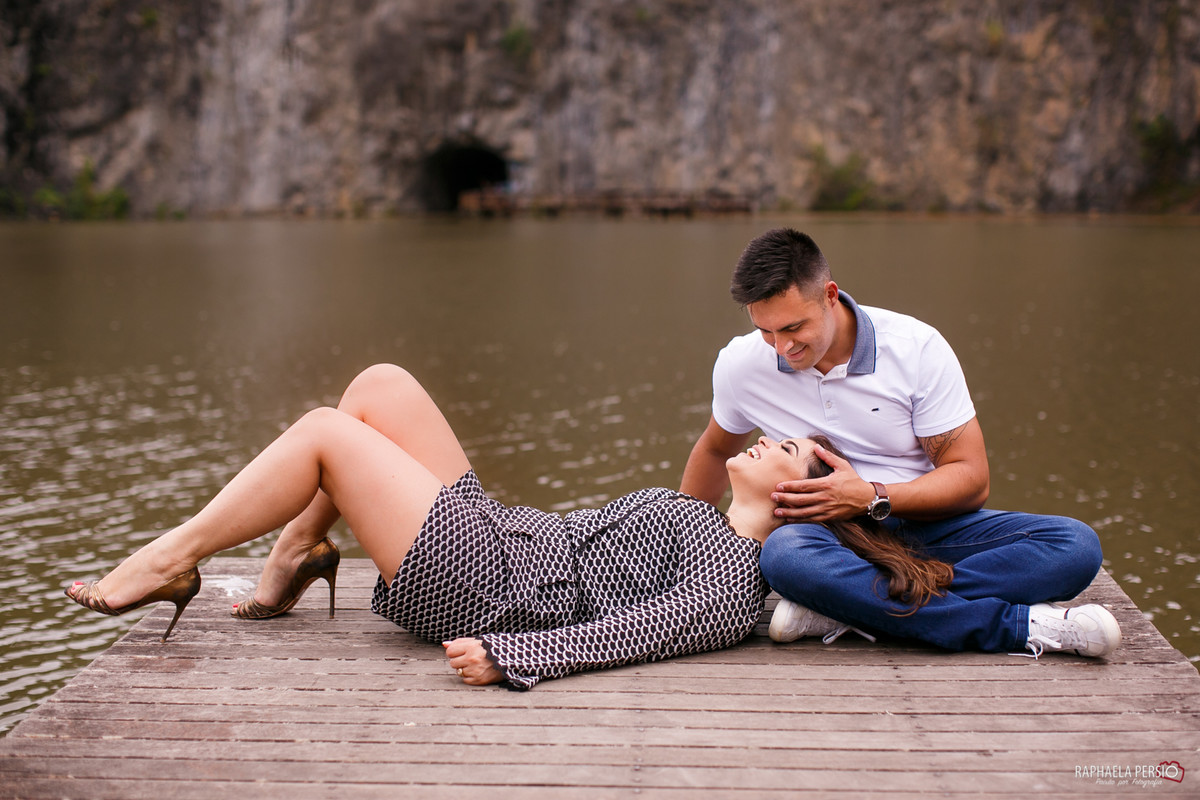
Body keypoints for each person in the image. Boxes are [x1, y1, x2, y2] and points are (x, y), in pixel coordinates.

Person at [70, 363, 821, 689]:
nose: (764, 437)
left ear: (798, 499)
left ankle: (169, 557)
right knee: (378, 387)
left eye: (786, 447)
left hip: (492, 592)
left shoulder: (731, 579)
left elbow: (637, 635)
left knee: (325, 433)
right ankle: (295, 554)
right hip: (501, 541)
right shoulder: (704, 520)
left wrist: (510, 655)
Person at [681, 228, 1121, 659]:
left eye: (794, 327)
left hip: (920, 525)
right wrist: (683, 547)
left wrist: (871, 497)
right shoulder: (741, 365)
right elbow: (717, 450)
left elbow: (971, 479)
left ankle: (846, 606)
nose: (781, 347)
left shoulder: (916, 348)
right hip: (826, 541)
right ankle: (1015, 627)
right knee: (784, 556)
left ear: (830, 295)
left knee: (1075, 546)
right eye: (766, 331)